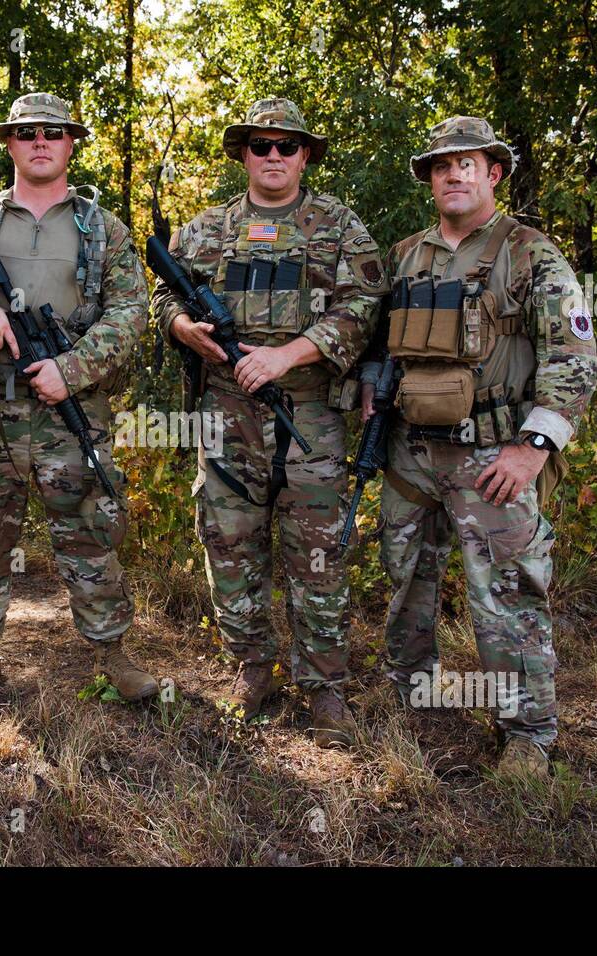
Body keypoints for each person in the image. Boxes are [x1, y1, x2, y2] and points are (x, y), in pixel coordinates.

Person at [358, 116, 597, 776]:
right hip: (412, 452)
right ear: (431, 180)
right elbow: (379, 342)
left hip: (494, 454)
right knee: (405, 574)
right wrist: (373, 388)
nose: (453, 174)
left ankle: (527, 732)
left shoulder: (530, 253)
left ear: (494, 173)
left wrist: (533, 449)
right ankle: (411, 690)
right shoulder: (407, 254)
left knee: (508, 595)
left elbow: (573, 356)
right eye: (442, 165)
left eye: (468, 163)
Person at [150, 98, 386, 747]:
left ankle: (325, 687)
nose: (274, 157)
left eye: (287, 146)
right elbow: (163, 294)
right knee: (229, 542)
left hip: (308, 408)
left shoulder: (337, 225)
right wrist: (182, 328)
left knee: (316, 548)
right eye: (262, 146)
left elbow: (366, 301)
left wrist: (291, 354)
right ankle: (252, 671)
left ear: (306, 154)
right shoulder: (205, 230)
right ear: (243, 154)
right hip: (227, 409)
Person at [0, 93, 157, 705]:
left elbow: (133, 312)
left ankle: (113, 654)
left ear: (72, 142)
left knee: (90, 531)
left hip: (69, 410)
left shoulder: (102, 228)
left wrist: (72, 368)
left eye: (53, 132)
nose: (40, 142)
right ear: (10, 143)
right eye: (27, 133)